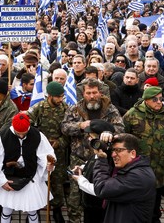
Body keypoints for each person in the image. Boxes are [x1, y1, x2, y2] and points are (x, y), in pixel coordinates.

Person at [61, 78, 124, 223]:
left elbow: (120, 129)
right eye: (88, 93)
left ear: (100, 93)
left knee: (100, 194)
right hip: (79, 158)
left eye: (94, 92)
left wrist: (109, 134)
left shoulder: (110, 109)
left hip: (102, 159)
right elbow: (64, 127)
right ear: (83, 94)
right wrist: (81, 125)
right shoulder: (75, 108)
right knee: (75, 197)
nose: (92, 96)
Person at [122, 86, 164, 223]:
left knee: (155, 201)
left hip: (159, 167)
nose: (159, 102)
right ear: (146, 100)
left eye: (161, 99)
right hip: (137, 167)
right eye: (155, 99)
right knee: (136, 199)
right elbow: (123, 139)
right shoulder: (132, 114)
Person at [0, 113, 56, 223]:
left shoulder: (37, 135)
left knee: (33, 211)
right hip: (9, 177)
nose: (21, 137)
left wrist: (48, 164)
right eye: (18, 134)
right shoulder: (3, 137)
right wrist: (1, 181)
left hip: (30, 176)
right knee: (6, 211)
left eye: (24, 134)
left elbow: (46, 154)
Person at [27, 82, 70, 223]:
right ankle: (35, 212)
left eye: (62, 97)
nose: (61, 100)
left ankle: (56, 210)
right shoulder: (38, 108)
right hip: (39, 153)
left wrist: (60, 142)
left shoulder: (66, 109)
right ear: (50, 96)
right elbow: (28, 126)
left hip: (57, 154)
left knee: (57, 183)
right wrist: (39, 141)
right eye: (58, 97)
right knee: (38, 182)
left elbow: (69, 131)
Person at [92, 133, 156, 222]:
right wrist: (107, 135)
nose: (113, 155)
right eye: (113, 150)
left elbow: (102, 188)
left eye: (118, 150)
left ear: (133, 153)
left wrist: (101, 160)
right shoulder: (130, 167)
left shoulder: (138, 177)